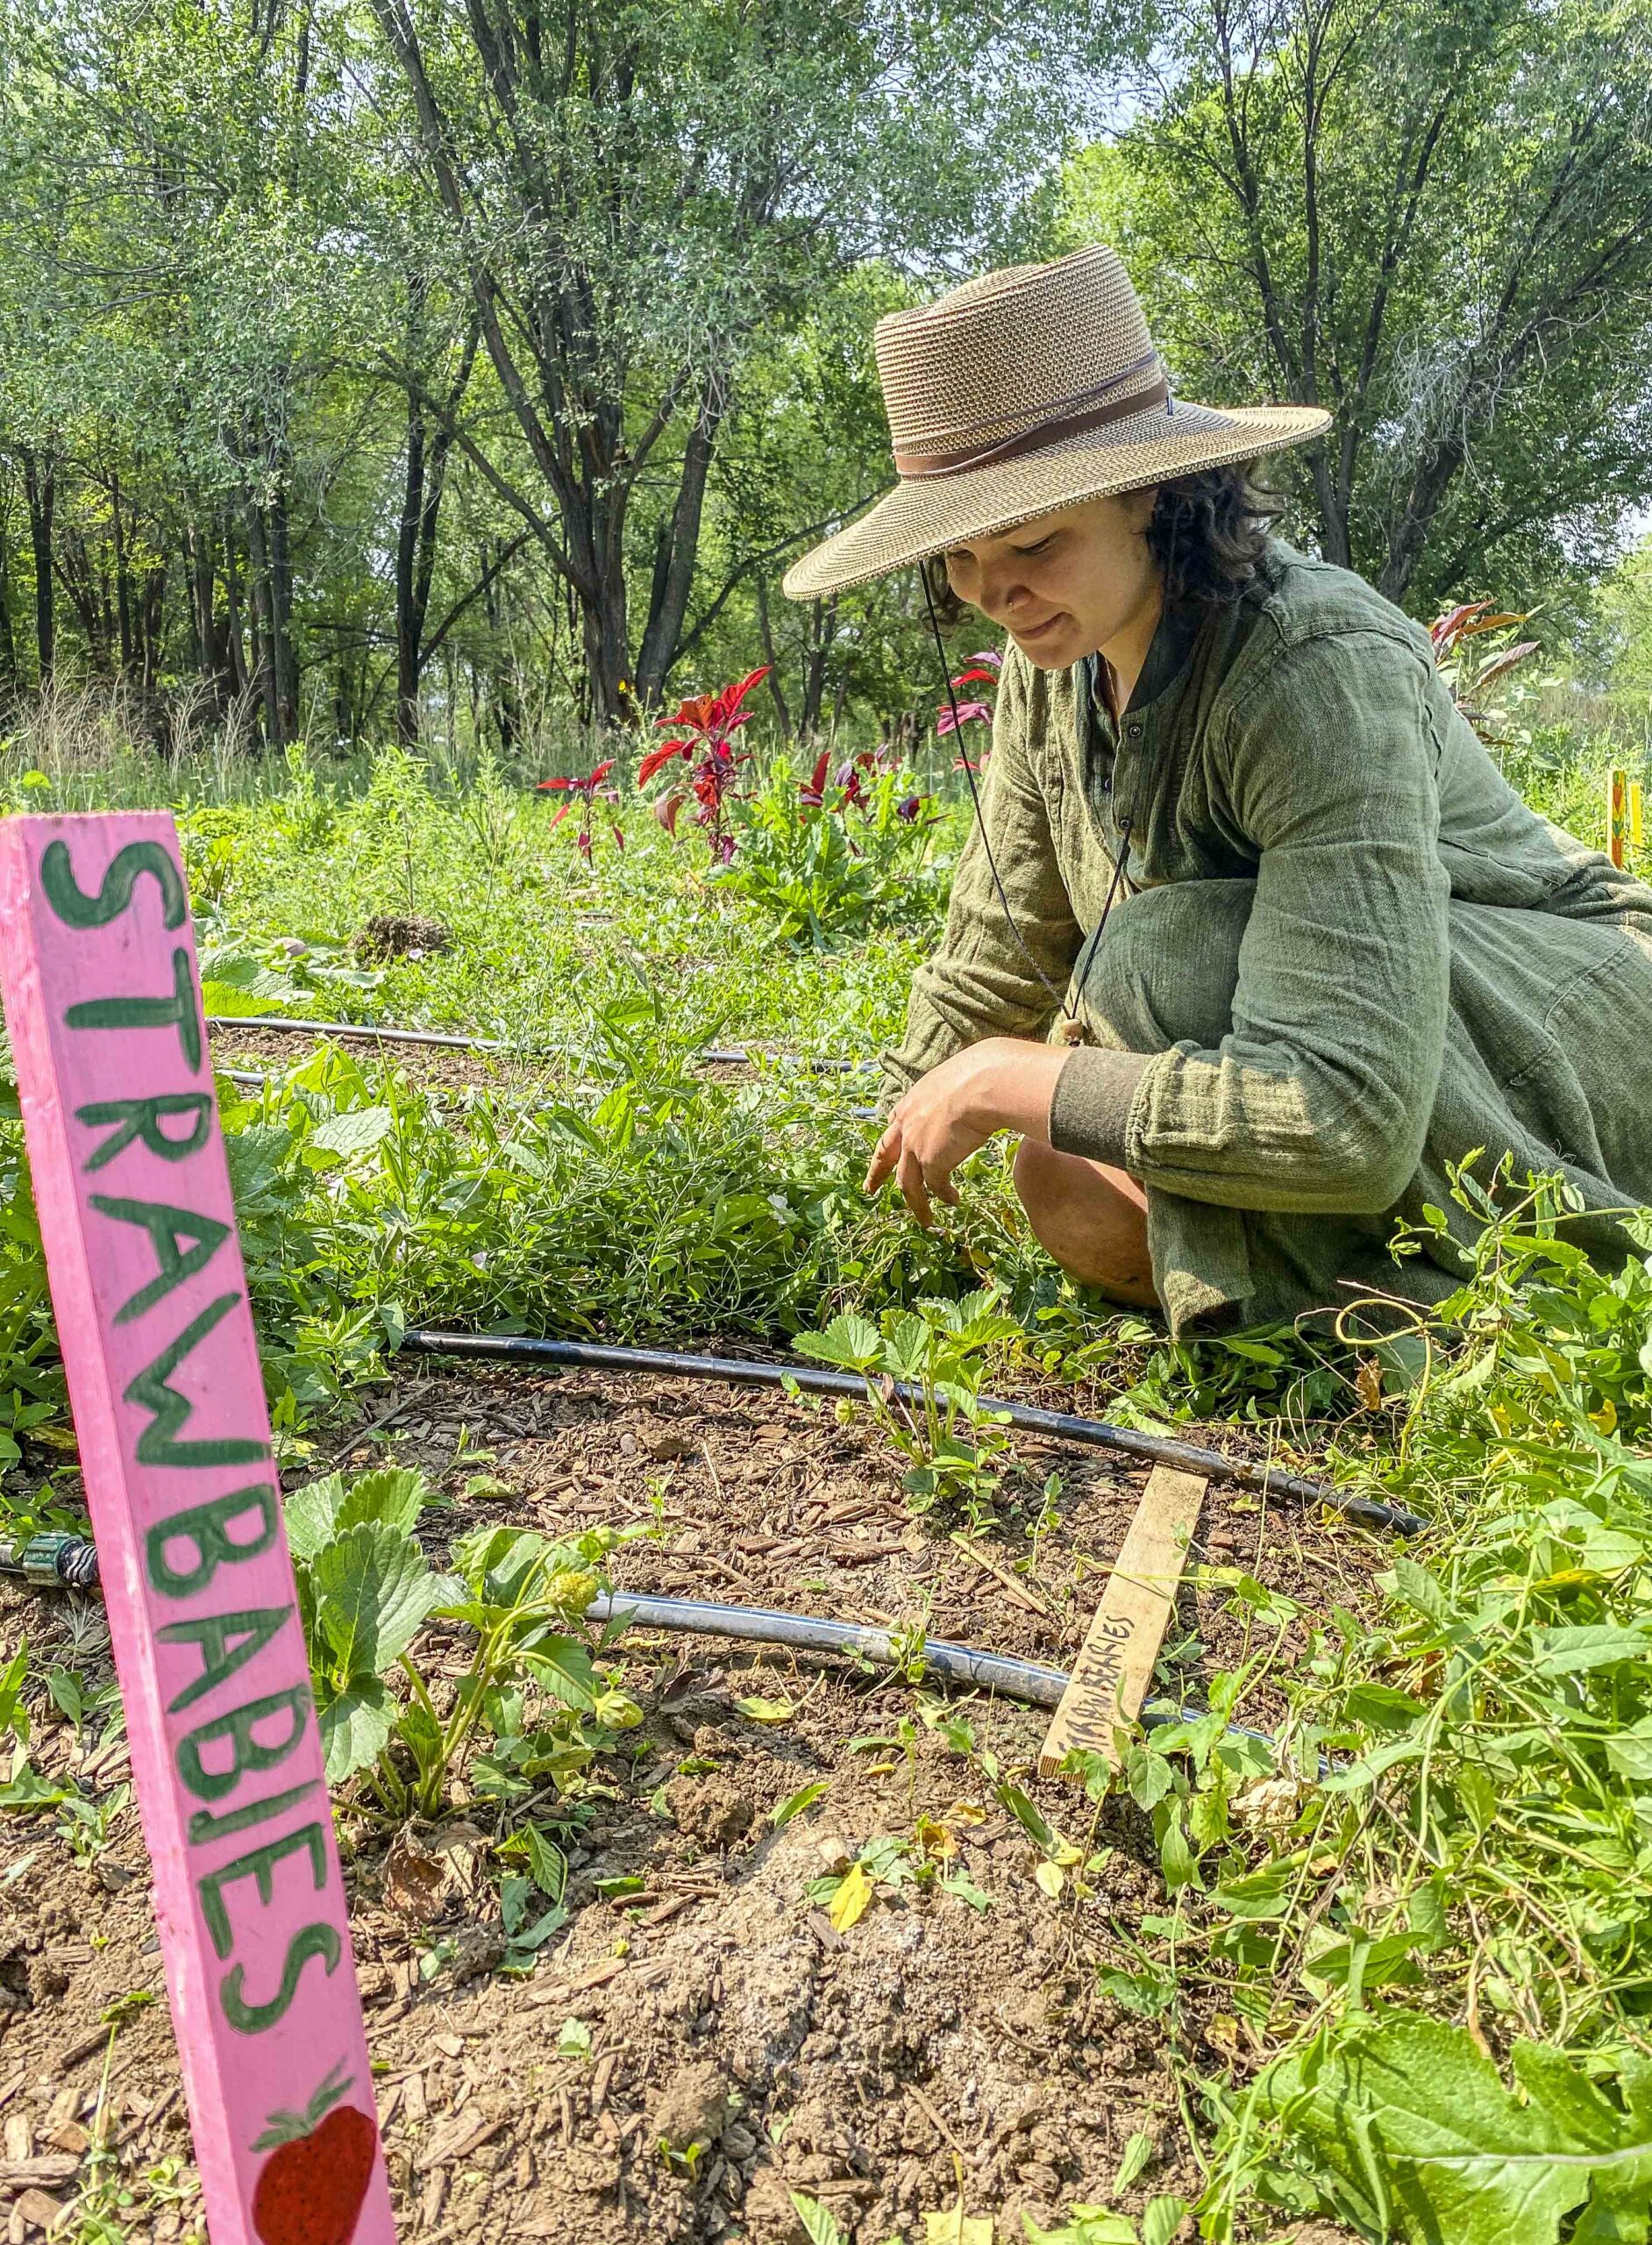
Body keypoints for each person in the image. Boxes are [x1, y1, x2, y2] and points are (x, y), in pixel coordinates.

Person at [781, 246, 1652, 1338]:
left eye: (1034, 541)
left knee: (1155, 962)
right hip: (1359, 1061)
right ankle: (1367, 1290)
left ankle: (1490, 1305)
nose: (996, 592)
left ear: (1152, 492)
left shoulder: (1314, 668)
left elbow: (1347, 1111)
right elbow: (1001, 947)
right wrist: (889, 1151)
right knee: (1063, 1181)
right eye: (958, 559)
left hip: (1584, 1023)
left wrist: (1013, 1075)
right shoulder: (1048, 662)